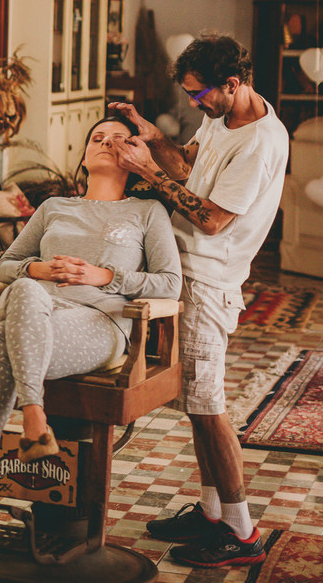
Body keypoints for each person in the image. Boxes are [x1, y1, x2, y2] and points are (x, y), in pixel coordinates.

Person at [0, 115, 181, 501]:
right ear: (83, 157)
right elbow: (5, 266)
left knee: (1, 335)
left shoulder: (147, 212)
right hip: (36, 309)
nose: (106, 142)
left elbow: (170, 283)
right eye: (97, 137)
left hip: (100, 320)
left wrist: (103, 276)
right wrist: (39, 269)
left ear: (135, 157)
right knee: (25, 289)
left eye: (119, 139)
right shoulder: (54, 207)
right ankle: (34, 419)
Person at [110, 32, 288, 568]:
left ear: (232, 83)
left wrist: (147, 172)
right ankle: (212, 512)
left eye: (199, 93)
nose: (194, 103)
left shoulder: (259, 142)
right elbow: (189, 165)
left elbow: (210, 219)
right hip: (185, 271)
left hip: (209, 281)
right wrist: (152, 136)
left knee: (209, 407)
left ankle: (242, 532)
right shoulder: (222, 116)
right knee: (195, 403)